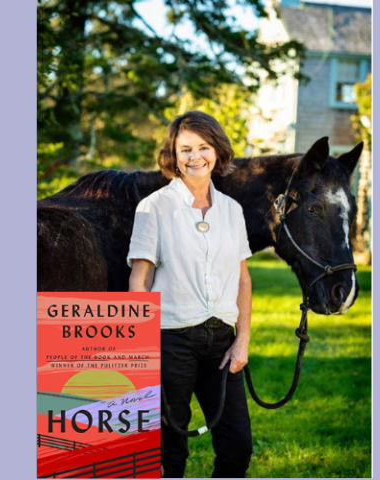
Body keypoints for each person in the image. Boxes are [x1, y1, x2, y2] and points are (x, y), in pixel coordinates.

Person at [127, 111, 253, 478]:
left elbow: (242, 280)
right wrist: (143, 346)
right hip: (171, 340)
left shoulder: (232, 210)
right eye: (185, 149)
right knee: (168, 452)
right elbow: (140, 278)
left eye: (203, 147)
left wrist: (242, 339)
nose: (195, 156)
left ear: (217, 151)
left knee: (237, 446)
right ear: (173, 155)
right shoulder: (154, 207)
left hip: (223, 343)